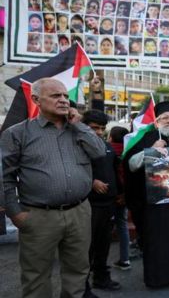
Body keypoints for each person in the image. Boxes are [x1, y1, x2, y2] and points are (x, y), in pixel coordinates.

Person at [1, 78, 105, 298]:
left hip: (79, 212)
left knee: (77, 272)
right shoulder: (18, 133)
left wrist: (79, 125)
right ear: (36, 99)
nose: (63, 100)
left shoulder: (79, 130)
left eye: (66, 96)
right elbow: (5, 177)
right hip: (39, 216)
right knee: (36, 277)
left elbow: (99, 153)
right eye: (56, 96)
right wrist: (15, 213)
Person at [122, 102, 169, 287]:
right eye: (165, 117)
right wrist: (151, 151)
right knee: (156, 240)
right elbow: (131, 165)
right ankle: (158, 278)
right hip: (153, 205)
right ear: (156, 122)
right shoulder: (146, 139)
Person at [81, 110, 122, 293]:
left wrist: (120, 193)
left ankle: (101, 278)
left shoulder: (107, 146)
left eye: (102, 128)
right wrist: (91, 182)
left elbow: (115, 171)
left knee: (103, 245)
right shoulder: (78, 146)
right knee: (86, 249)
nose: (99, 132)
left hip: (109, 205)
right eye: (94, 128)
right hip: (89, 206)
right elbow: (70, 172)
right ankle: (82, 286)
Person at [106, 126, 133, 271]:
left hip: (105, 195)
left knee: (102, 228)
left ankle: (97, 263)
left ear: (110, 137)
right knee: (122, 226)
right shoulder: (129, 151)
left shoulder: (104, 149)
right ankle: (125, 259)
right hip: (123, 196)